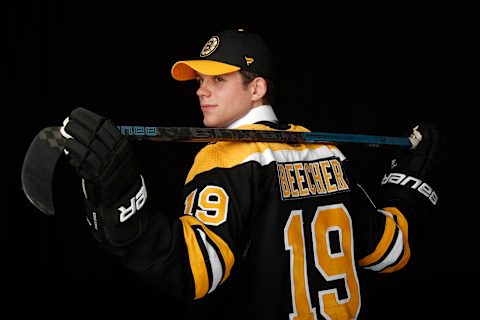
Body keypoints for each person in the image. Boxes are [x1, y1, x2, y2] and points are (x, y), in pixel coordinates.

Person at [59, 29, 448, 319]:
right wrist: (411, 186)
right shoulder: (325, 150)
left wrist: (123, 205)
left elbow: (196, 271)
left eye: (218, 80)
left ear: (257, 86)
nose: (201, 91)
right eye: (199, 81)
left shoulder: (224, 158)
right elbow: (389, 250)